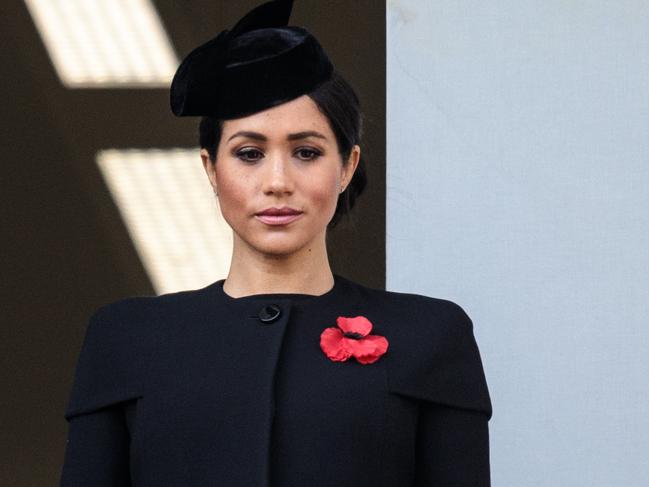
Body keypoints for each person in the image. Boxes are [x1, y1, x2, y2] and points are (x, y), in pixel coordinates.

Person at [59, 1, 493, 486]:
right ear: (210, 169)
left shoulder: (431, 335)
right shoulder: (126, 337)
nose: (277, 181)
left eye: (306, 152)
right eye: (249, 153)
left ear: (347, 167)